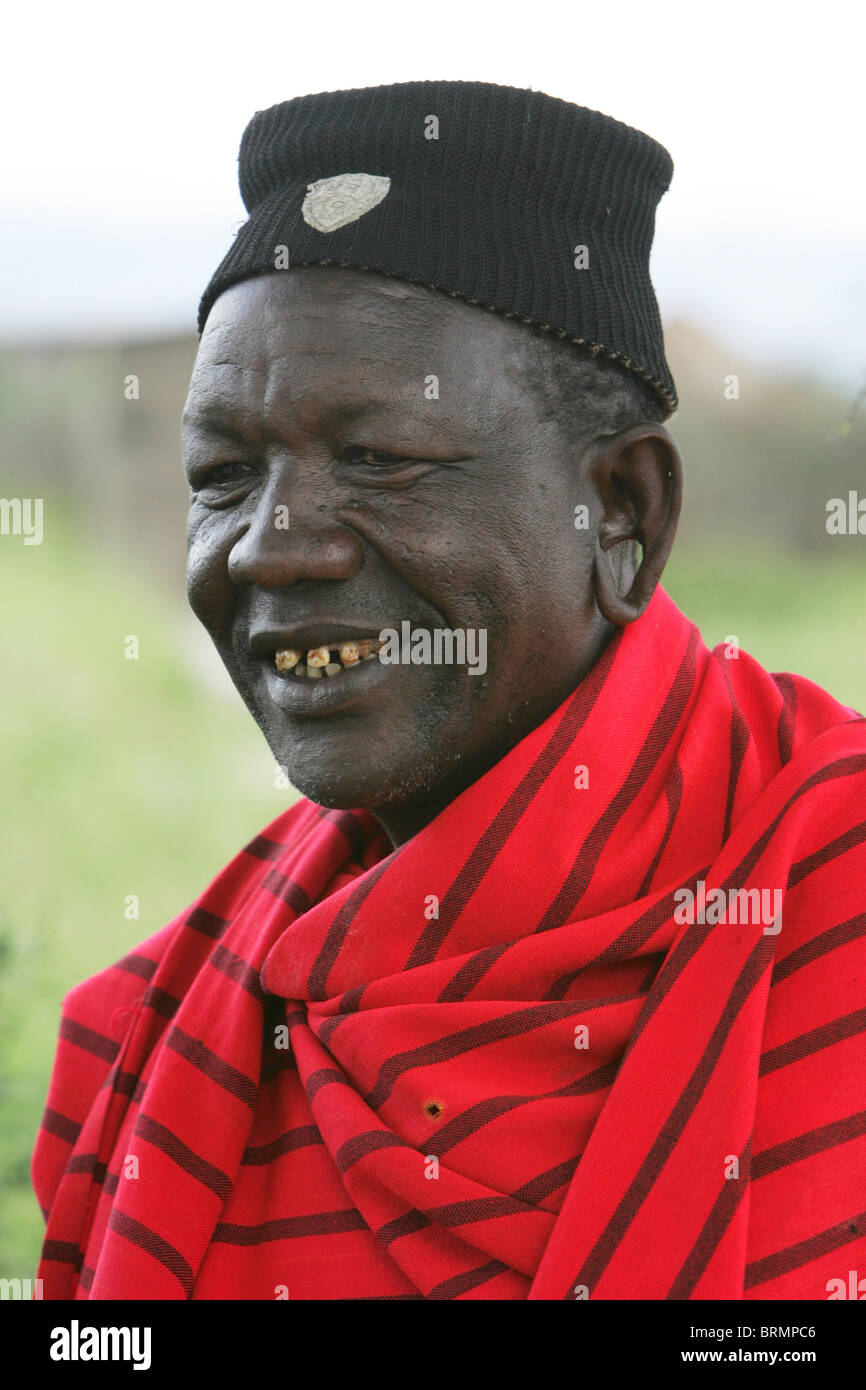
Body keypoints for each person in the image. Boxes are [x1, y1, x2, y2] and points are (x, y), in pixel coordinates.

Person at [33, 80, 866, 1301]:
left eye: (378, 460)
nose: (270, 544)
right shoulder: (141, 1042)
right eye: (222, 473)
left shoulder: (829, 890)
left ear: (621, 514)